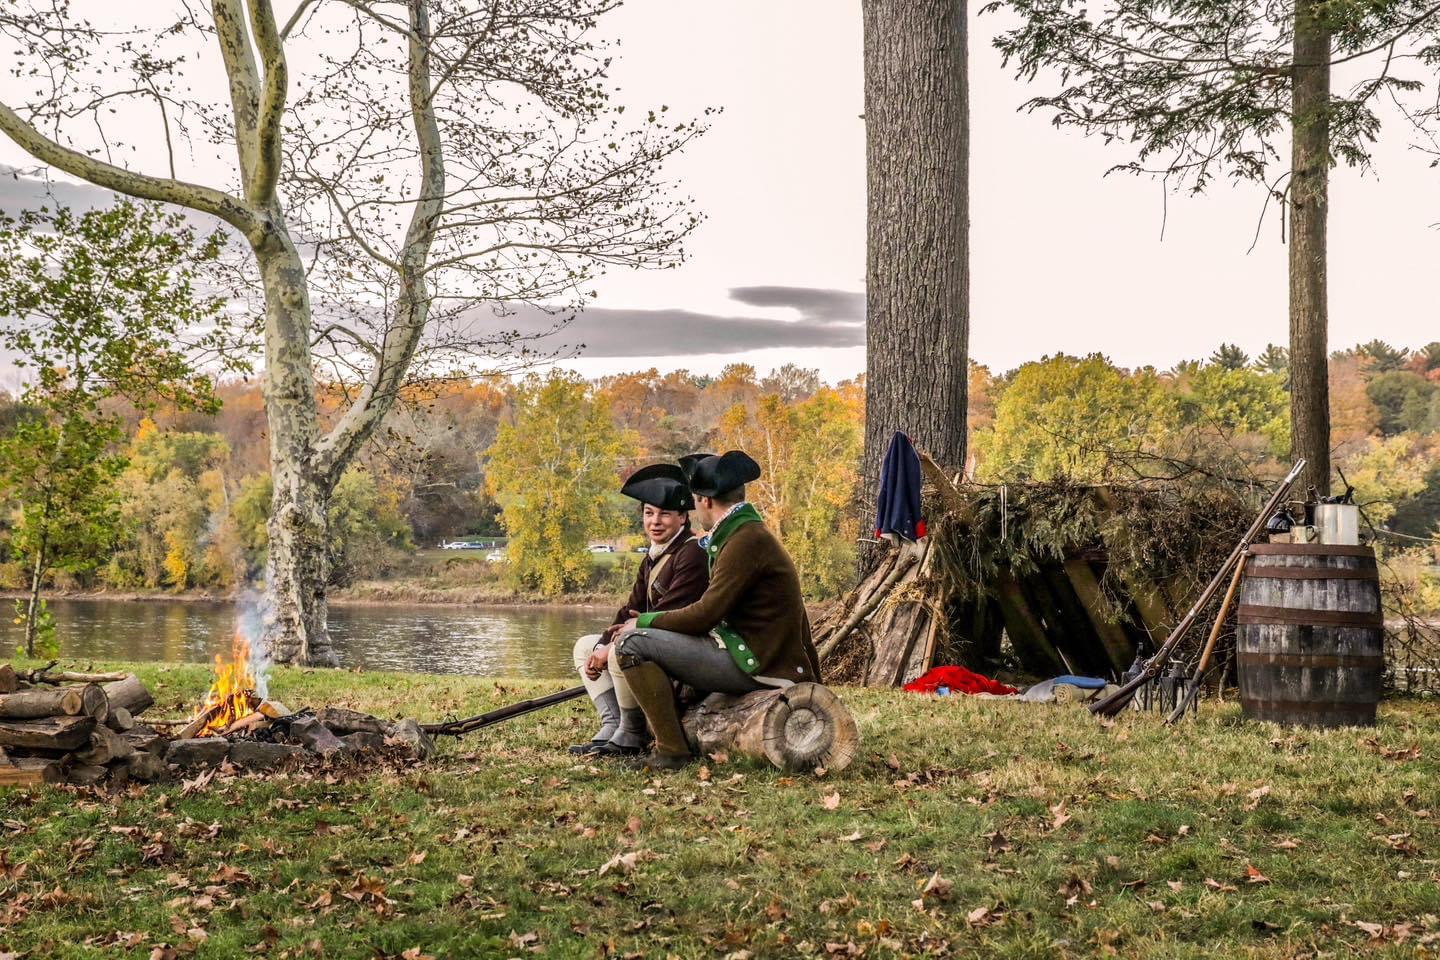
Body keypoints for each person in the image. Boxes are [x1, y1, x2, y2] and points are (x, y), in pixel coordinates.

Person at [612, 450, 822, 770]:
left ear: (705, 501)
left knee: (632, 643)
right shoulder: (743, 533)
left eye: (694, 502)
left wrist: (644, 621)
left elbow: (704, 615)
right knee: (644, 641)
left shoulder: (745, 540)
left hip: (759, 662)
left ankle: (671, 751)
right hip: (754, 653)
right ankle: (658, 733)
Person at [569, 464, 708, 757]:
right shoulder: (654, 555)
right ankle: (613, 723)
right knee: (584, 647)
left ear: (682, 517)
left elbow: (669, 613)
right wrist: (601, 646)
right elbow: (630, 609)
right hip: (650, 638)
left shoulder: (692, 553)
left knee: (622, 648)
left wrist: (611, 649)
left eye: (664, 514)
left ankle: (632, 732)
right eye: (648, 513)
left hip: (680, 648)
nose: (655, 522)